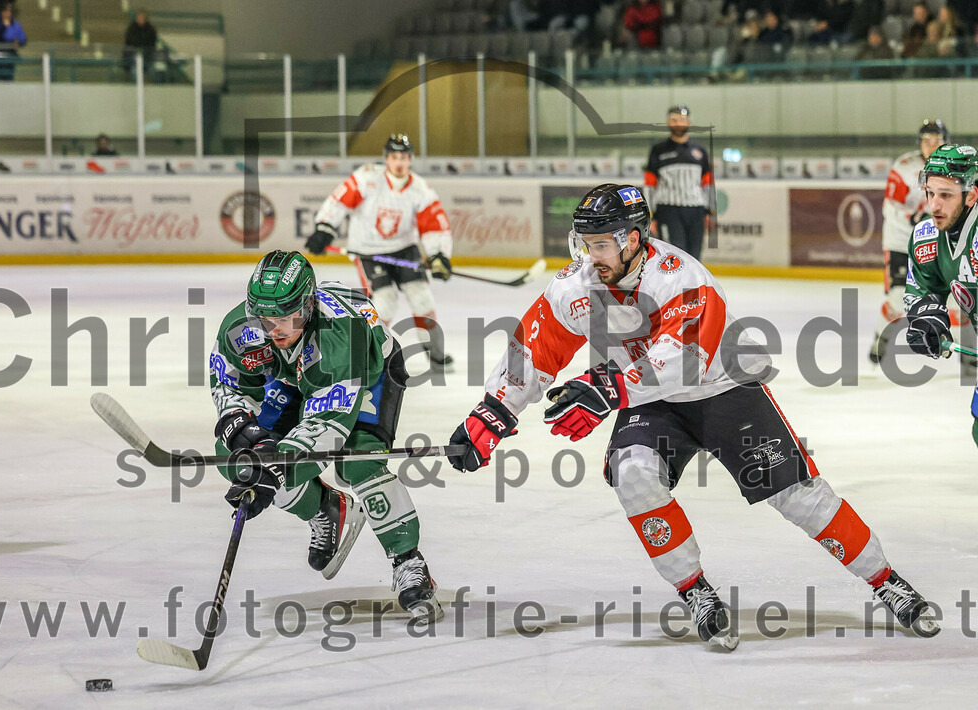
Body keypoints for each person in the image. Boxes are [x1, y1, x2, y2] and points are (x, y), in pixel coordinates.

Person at [448, 183, 941, 651]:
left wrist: (606, 388)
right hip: (647, 401)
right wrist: (491, 413)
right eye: (584, 244)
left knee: (799, 498)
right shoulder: (576, 284)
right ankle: (695, 590)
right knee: (634, 475)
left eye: (600, 246)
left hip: (723, 388)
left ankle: (885, 580)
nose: (589, 258)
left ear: (633, 240)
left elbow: (684, 359)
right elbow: (533, 348)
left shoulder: (681, 276)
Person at [209, 250, 444, 623]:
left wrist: (274, 470)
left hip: (369, 374)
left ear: (309, 305)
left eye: (289, 318)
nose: (277, 330)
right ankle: (326, 509)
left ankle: (407, 561)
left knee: (358, 462)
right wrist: (241, 423)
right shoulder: (241, 330)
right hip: (298, 379)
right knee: (237, 459)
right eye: (266, 320)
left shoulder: (341, 339)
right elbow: (228, 381)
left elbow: (324, 432)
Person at [307, 134, 455, 370]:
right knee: (384, 302)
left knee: (422, 297)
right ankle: (370, 351)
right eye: (394, 157)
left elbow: (435, 226)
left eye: (404, 157)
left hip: (404, 249)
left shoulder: (420, 190)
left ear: (411, 159)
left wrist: (439, 255)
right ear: (386, 159)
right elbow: (339, 201)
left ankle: (434, 352)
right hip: (368, 251)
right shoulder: (367, 177)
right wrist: (324, 227)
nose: (399, 163)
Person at [904, 144, 978, 445]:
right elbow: (923, 289)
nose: (934, 205)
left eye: (946, 195)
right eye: (930, 193)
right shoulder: (929, 236)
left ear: (971, 195)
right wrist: (928, 319)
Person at [869, 119, 949, 364]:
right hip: (901, 242)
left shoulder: (952, 166)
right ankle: (880, 339)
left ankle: (965, 355)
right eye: (927, 141)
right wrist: (915, 218)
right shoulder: (905, 166)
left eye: (936, 140)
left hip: (936, 243)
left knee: (959, 293)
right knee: (897, 298)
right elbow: (890, 207)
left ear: (945, 142)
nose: (931, 145)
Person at [643, 105, 714, 262]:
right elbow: (649, 185)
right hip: (668, 211)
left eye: (682, 120)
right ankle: (673, 287)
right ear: (668, 122)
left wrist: (710, 212)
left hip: (696, 211)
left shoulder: (700, 151)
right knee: (675, 255)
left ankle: (691, 287)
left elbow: (708, 184)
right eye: (674, 120)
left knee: (695, 258)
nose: (678, 123)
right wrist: (650, 216)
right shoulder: (658, 150)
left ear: (688, 122)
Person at [0, 1, 26, 82]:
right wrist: (3, 27)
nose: (8, 13)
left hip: (9, 57)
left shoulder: (15, 24)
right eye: (5, 11)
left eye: (9, 11)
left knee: (8, 80)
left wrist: (19, 42)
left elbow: (23, 39)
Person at [123, 8, 158, 74]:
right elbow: (129, 40)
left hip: (146, 54)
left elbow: (151, 42)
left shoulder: (150, 29)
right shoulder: (131, 27)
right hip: (132, 53)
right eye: (139, 16)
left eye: (142, 17)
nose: (141, 18)